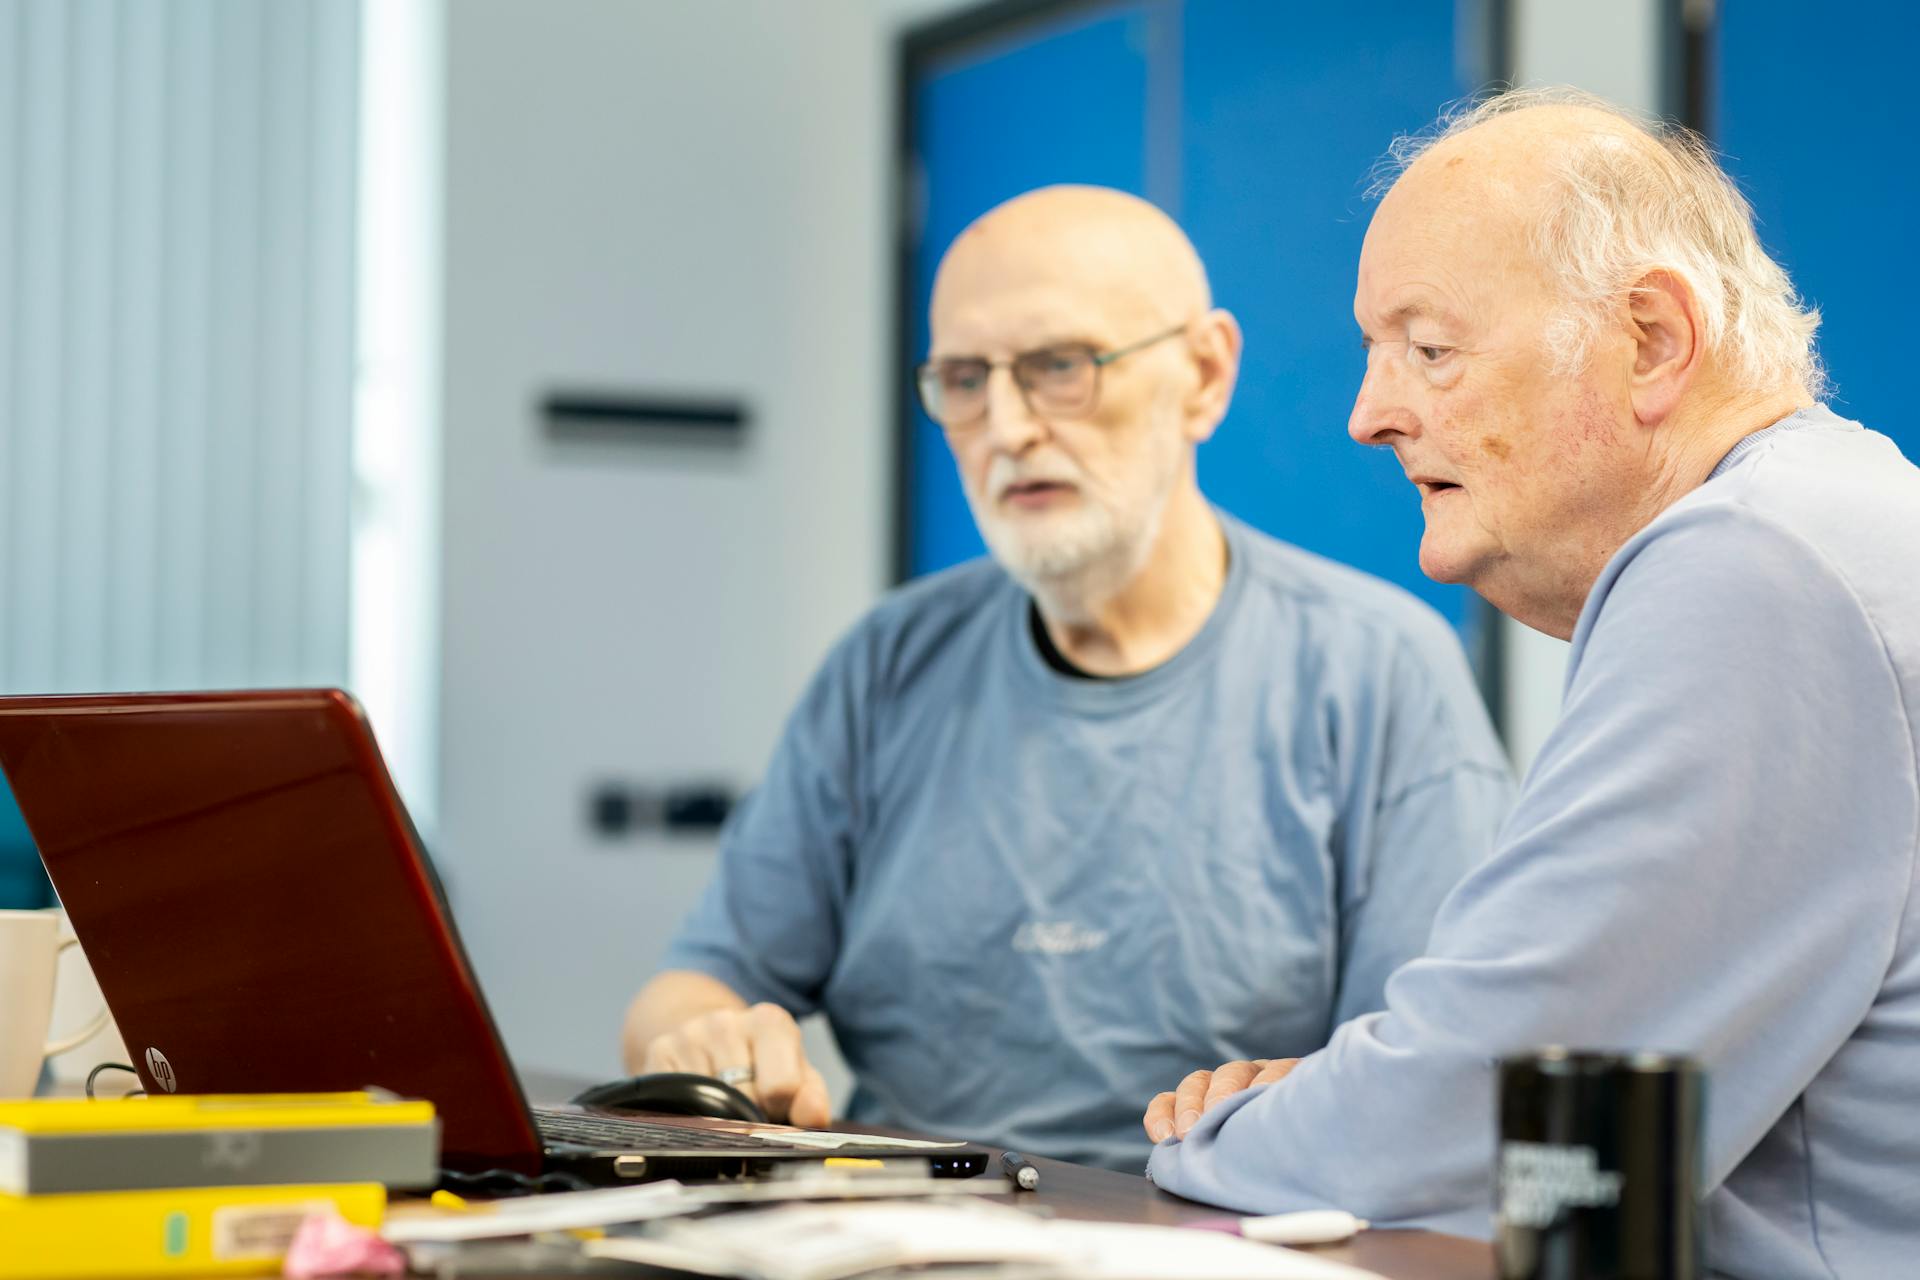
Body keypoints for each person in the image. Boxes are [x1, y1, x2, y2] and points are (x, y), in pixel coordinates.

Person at [1142, 89, 1920, 1276]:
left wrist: (1235, 1129)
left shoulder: (1754, 568)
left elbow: (1468, 1118)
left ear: (1654, 339)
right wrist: (1388, 1084)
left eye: (1431, 350)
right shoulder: (1835, 517)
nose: (1368, 415)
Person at [625, 185, 1511, 1172]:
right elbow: (694, 985)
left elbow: (1431, 1077)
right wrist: (706, 1039)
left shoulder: (1379, 671)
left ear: (1204, 375)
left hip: (1214, 1231)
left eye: (1059, 367)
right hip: (897, 1224)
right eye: (964, 379)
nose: (1005, 427)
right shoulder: (887, 666)